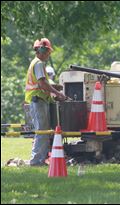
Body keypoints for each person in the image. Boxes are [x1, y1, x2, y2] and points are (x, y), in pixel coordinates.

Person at [25, 38, 67, 166]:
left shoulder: (36, 63)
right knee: (42, 131)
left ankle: (40, 159)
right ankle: (36, 161)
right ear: (42, 50)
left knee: (43, 131)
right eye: (48, 51)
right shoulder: (39, 64)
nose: (49, 55)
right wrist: (58, 93)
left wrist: (55, 87)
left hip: (39, 100)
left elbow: (44, 82)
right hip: (38, 100)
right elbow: (42, 84)